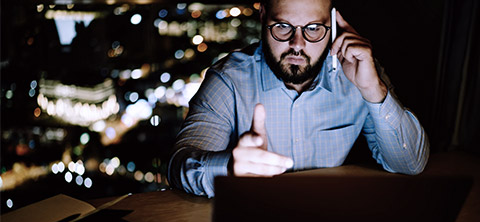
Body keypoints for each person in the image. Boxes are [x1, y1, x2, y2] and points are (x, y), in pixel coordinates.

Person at [168, 0, 429, 197]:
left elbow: (411, 164)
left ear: (333, 26)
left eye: (314, 28)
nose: (297, 44)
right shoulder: (229, 80)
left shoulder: (361, 73)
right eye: (283, 26)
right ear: (263, 18)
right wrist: (230, 169)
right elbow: (179, 165)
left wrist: (373, 91)